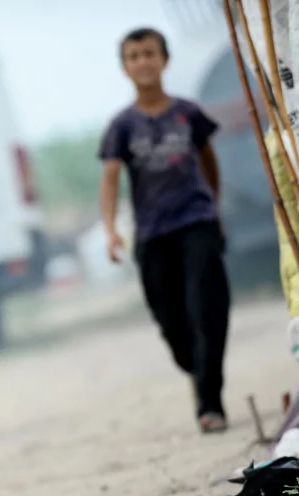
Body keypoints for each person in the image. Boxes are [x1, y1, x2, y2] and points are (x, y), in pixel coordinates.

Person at [98, 26, 231, 433]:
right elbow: (110, 179)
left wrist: (213, 204)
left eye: (150, 53)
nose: (143, 62)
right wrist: (111, 230)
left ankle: (210, 404)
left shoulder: (188, 113)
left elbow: (208, 160)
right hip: (153, 234)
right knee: (171, 322)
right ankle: (196, 369)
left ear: (165, 60)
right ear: (125, 67)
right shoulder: (122, 125)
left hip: (196, 223)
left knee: (205, 311)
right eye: (134, 56)